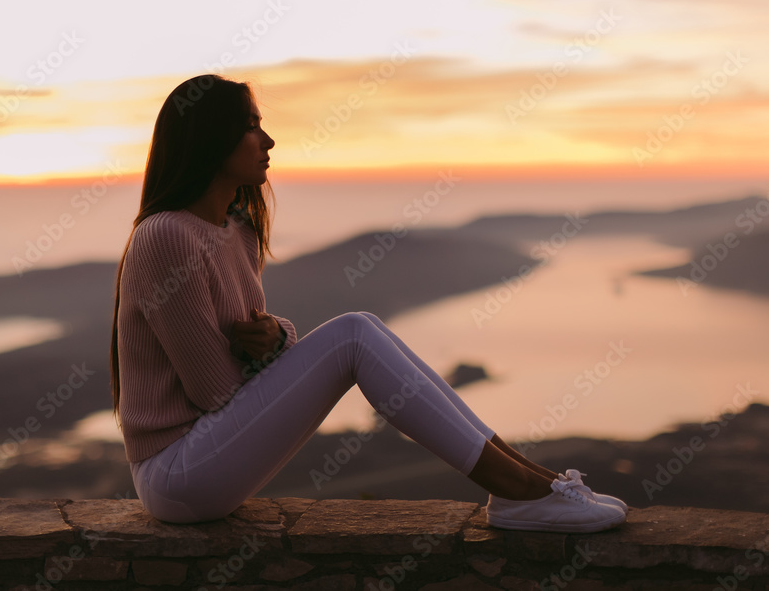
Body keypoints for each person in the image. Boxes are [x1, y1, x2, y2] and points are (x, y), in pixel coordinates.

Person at [109, 74, 627, 532]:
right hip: (176, 473)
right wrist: (274, 346)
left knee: (362, 330)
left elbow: (251, 353)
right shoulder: (166, 237)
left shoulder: (236, 233)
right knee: (355, 334)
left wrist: (277, 338)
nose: (268, 140)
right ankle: (516, 491)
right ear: (209, 139)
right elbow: (217, 392)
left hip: (212, 456)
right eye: (250, 127)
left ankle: (533, 482)